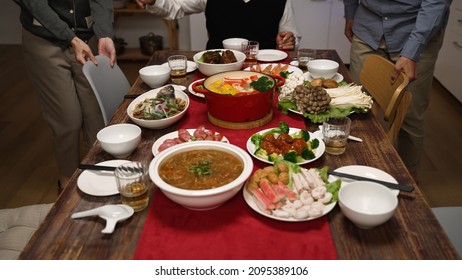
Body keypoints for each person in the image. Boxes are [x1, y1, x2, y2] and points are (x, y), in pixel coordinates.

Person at [343, 0, 452, 178]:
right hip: (368, 25)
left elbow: (436, 3)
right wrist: (350, 12)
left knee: (409, 115)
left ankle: (407, 180)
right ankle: (352, 170)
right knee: (355, 107)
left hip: (416, 29)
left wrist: (412, 51)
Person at [18, 0, 117, 191]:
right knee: (67, 119)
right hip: (45, 40)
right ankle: (67, 183)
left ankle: (97, 178)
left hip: (88, 39)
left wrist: (104, 33)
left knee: (97, 117)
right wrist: (69, 37)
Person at [135, 0, 300, 50]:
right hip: (216, 69)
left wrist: (289, 41)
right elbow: (175, 7)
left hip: (264, 71)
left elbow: (292, 36)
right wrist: (154, 1)